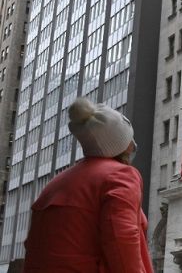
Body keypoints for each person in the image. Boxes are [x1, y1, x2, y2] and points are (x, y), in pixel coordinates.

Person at [23, 98, 153, 273]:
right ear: (122, 145)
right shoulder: (121, 175)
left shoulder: (56, 183)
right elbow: (121, 238)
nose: (133, 145)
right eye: (130, 139)